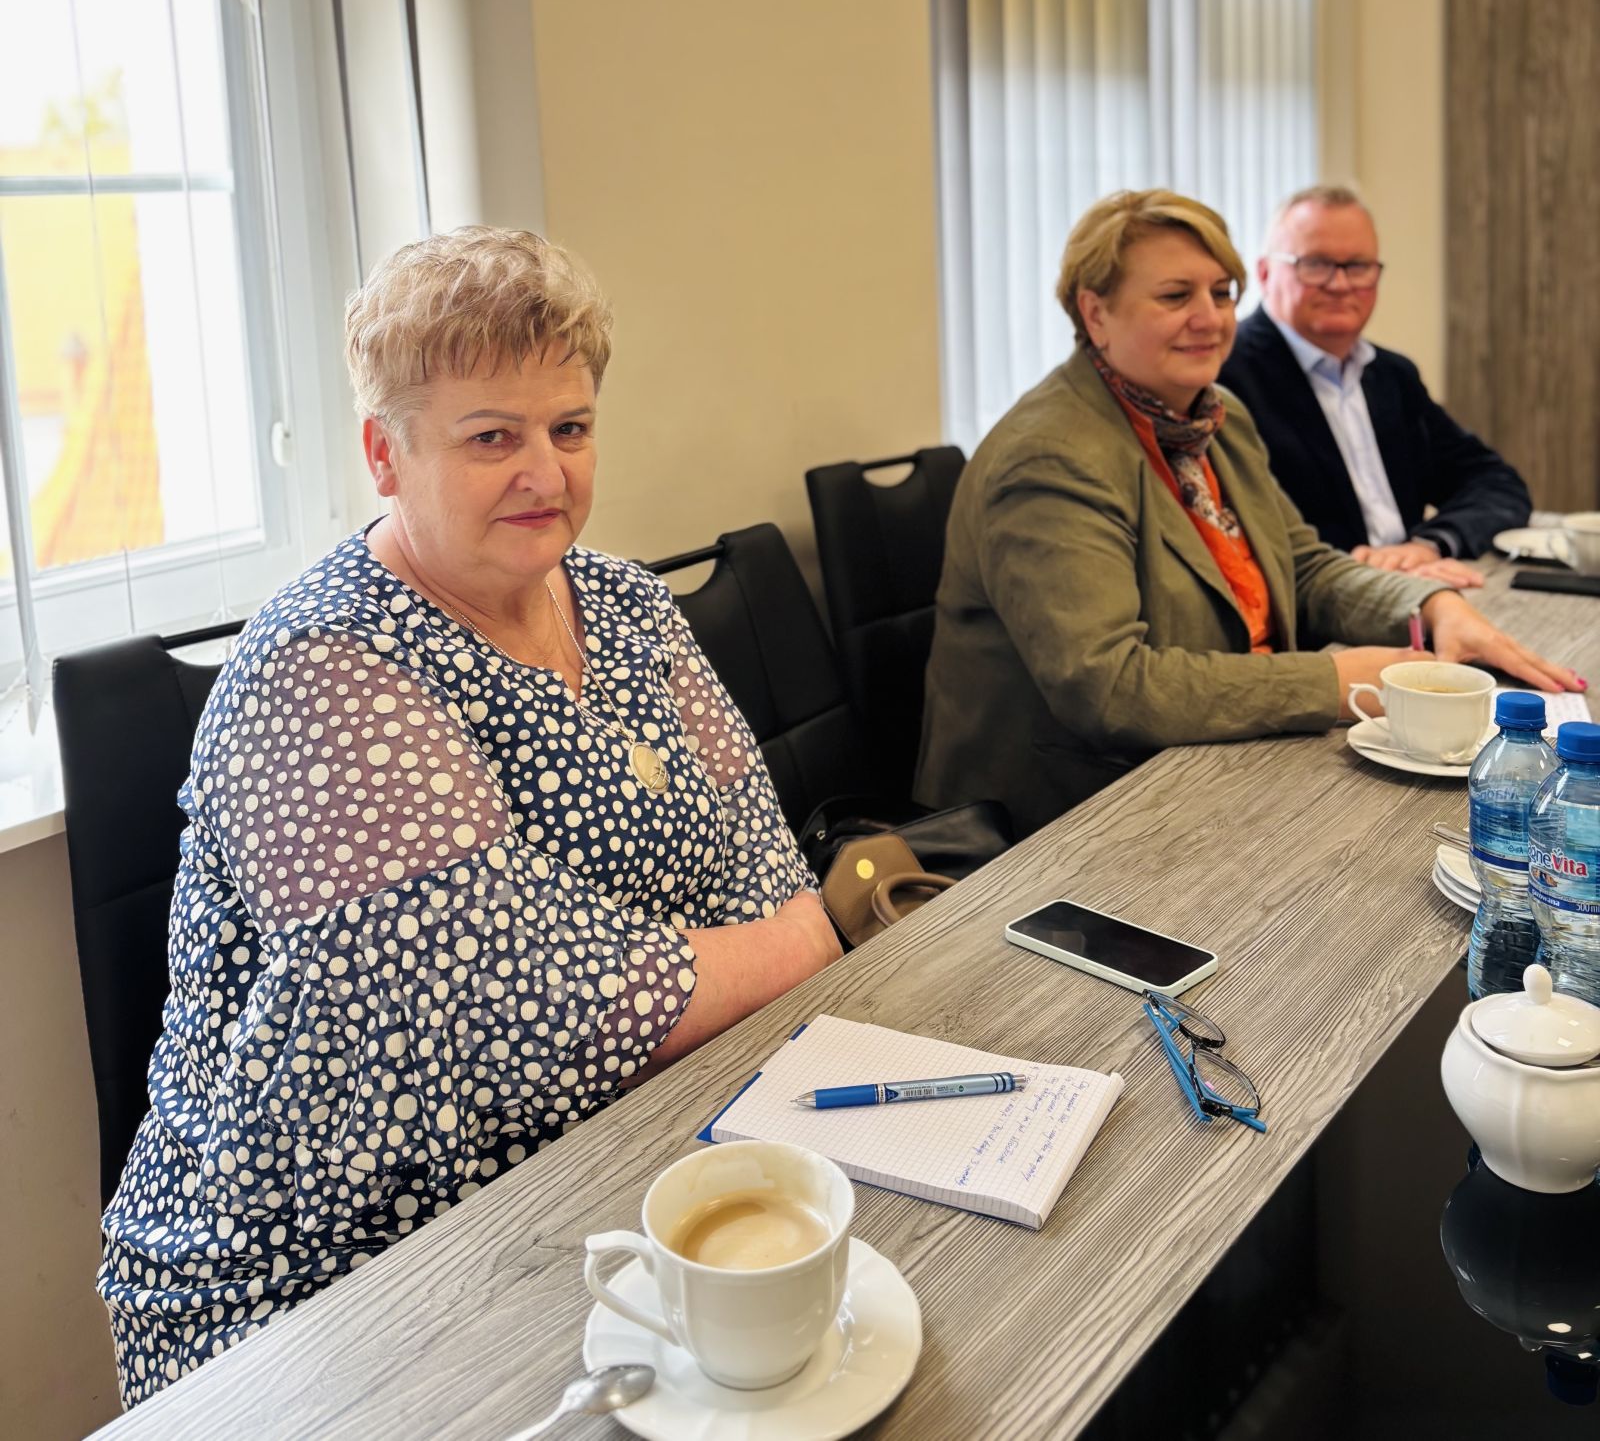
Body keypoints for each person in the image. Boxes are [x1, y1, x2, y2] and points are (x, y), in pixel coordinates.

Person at [99, 228, 838, 1405]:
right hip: (328, 1274)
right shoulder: (318, 670)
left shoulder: (629, 606)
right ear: (382, 454)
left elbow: (767, 869)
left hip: (613, 1162)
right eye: (491, 437)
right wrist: (785, 943)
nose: (545, 473)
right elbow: (537, 1014)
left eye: (570, 429)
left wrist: (774, 937)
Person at [914, 190, 1580, 837]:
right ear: (1096, 314)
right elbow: (1110, 687)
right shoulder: (1051, 456)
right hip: (1066, 820)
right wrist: (1334, 681)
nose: (1210, 317)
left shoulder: (1214, 415)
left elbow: (1305, 566)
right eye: (1175, 296)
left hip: (1217, 763)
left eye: (1222, 292)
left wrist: (1431, 605)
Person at [1219, 185, 1532, 587]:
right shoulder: (1223, 378)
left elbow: (1495, 482)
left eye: (1358, 266)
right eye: (1315, 264)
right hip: (1318, 607)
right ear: (1264, 273)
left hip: (1418, 586)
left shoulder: (1391, 376)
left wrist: (1430, 544)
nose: (1340, 284)